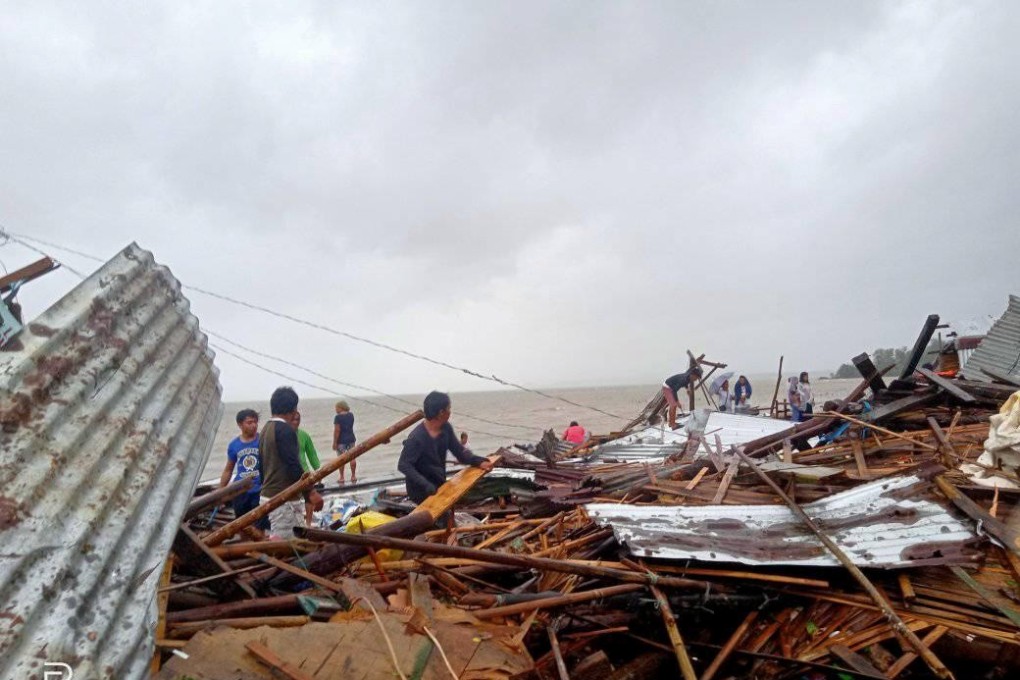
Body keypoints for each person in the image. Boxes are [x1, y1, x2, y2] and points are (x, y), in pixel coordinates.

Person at [397, 391, 493, 504]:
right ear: (441, 412)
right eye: (449, 408)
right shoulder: (416, 438)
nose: (450, 412)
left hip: (439, 485)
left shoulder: (445, 429)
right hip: (420, 492)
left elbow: (460, 452)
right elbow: (403, 465)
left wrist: (478, 461)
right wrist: (425, 484)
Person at [258, 387, 322, 538]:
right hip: (283, 501)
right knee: (289, 544)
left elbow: (261, 466)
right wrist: (311, 493)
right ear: (293, 409)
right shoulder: (285, 430)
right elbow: (293, 465)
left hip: (268, 496)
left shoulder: (265, 430)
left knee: (278, 538)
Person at [218, 408, 269, 531]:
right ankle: (246, 549)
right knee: (242, 526)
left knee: (260, 526)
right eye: (249, 422)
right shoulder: (234, 445)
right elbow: (228, 470)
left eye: (255, 422)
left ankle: (259, 548)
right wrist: (221, 492)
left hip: (260, 490)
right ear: (240, 424)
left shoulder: (263, 440)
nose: (254, 425)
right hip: (240, 492)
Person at [290, 410, 323, 527]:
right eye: (293, 419)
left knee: (308, 498)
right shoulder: (283, 436)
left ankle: (308, 523)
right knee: (291, 499)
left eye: (298, 419)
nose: (295, 422)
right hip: (289, 473)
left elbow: (311, 454)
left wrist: (318, 472)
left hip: (304, 472)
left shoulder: (304, 435)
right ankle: (294, 522)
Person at [332, 401, 357, 484]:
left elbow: (337, 431)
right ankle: (353, 476)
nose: (335, 409)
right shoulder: (351, 415)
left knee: (341, 459)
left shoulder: (338, 417)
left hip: (341, 441)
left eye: (336, 407)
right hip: (351, 438)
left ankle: (342, 477)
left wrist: (335, 442)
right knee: (352, 458)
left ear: (340, 407)